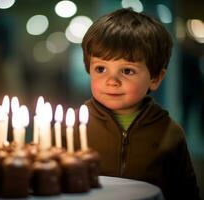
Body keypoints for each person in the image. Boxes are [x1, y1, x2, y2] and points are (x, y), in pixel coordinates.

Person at [73, 8, 200, 200]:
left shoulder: (169, 133)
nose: (112, 80)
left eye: (127, 71)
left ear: (156, 78)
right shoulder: (71, 126)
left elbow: (186, 192)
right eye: (101, 68)